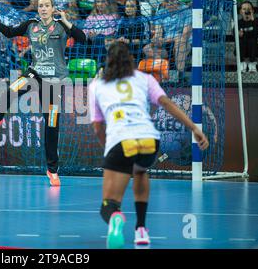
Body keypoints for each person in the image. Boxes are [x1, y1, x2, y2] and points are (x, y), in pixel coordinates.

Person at [88, 42, 209, 248]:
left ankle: (116, 219)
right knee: (141, 172)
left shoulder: (97, 85)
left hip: (121, 142)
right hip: (149, 141)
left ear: (107, 62)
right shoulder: (144, 78)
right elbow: (167, 104)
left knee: (108, 205)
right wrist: (194, 129)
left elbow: (98, 127)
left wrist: (108, 148)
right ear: (131, 60)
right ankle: (141, 230)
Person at [0, 0, 87, 187]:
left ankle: (52, 171)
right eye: (41, 6)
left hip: (54, 81)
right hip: (35, 73)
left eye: (47, 6)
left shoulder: (61, 26)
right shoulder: (31, 24)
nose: (43, 9)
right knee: (11, 89)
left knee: (52, 125)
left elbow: (83, 39)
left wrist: (67, 21)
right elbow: (10, 32)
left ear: (53, 9)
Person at [238, 1, 258, 73]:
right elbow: (235, 34)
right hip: (242, 49)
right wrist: (238, 33)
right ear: (240, 12)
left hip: (254, 49)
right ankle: (242, 64)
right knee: (241, 40)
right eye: (244, 9)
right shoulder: (239, 22)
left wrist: (252, 19)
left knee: (252, 39)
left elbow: (257, 33)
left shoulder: (256, 20)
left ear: (253, 11)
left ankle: (252, 64)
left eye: (249, 9)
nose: (247, 11)